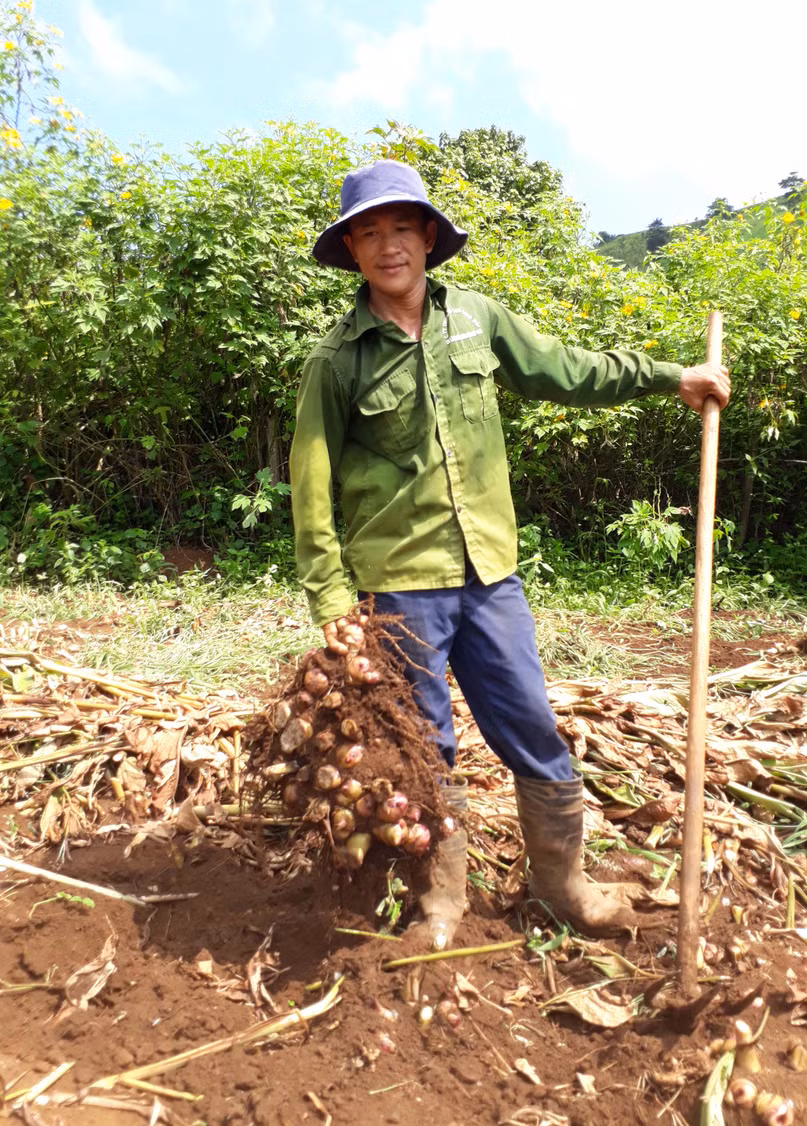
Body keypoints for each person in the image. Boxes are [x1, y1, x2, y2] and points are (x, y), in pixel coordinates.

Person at [290, 159, 730, 951]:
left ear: (427, 237)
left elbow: (568, 370)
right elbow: (310, 494)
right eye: (369, 233)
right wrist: (333, 609)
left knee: (533, 726)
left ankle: (563, 887)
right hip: (397, 592)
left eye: (401, 228)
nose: (388, 246)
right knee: (425, 752)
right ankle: (441, 905)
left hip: (491, 576)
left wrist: (674, 378)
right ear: (351, 250)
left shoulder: (478, 320)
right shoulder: (336, 361)